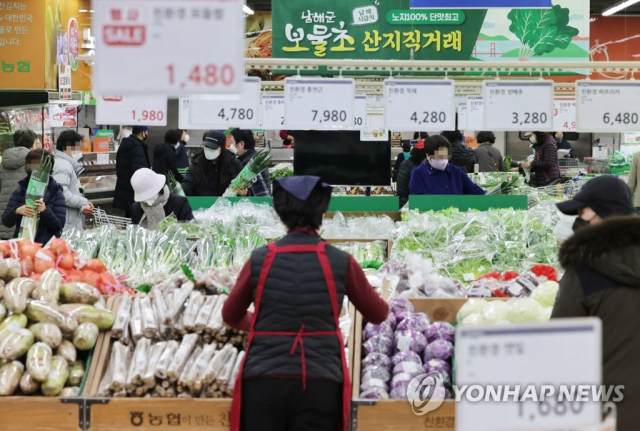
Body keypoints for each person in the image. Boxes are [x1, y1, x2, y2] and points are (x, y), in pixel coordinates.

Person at [221, 175, 389, 431]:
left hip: (263, 380)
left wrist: (261, 322)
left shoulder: (259, 259)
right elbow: (378, 313)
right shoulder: (341, 261)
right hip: (320, 380)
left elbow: (230, 314)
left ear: (280, 212)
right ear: (322, 212)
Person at [551, 175, 637, 431]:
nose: (578, 219)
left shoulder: (584, 271)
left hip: (605, 413)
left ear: (603, 213)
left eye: (581, 211)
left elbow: (558, 345)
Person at [2, 150, 66, 244]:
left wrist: (45, 210)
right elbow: (6, 221)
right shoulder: (20, 191)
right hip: (23, 245)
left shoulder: (56, 193)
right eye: (30, 164)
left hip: (47, 248)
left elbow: (59, 226)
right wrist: (17, 211)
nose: (33, 169)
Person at [410, 135, 486, 196]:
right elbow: (420, 200)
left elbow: (473, 189)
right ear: (428, 155)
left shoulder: (457, 172)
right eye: (439, 156)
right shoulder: (418, 174)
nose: (443, 159)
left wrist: (489, 198)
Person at [52, 130, 93, 232]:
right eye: (79, 147)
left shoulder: (60, 162)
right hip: (66, 221)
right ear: (69, 147)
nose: (81, 151)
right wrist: (83, 202)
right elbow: (61, 194)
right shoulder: (63, 166)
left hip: (66, 218)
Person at [0, 129, 37, 239]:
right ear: (31, 144)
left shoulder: (3, 163)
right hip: (25, 212)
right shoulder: (33, 161)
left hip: (4, 212)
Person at [182, 131, 242, 197]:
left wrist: (244, 193)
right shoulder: (196, 164)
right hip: (201, 205)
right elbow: (187, 185)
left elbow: (243, 189)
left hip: (227, 205)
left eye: (212, 147)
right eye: (206, 146)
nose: (208, 150)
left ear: (221, 148)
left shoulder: (234, 165)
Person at [114, 126, 151, 217]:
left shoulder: (125, 144)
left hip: (125, 186)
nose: (147, 134)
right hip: (133, 191)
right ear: (143, 132)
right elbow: (140, 172)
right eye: (147, 131)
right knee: (134, 218)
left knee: (129, 216)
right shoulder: (137, 147)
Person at [230, 128, 270, 197]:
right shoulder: (254, 156)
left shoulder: (250, 164)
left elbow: (260, 193)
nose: (230, 146)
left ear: (241, 144)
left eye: (232, 142)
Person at [397, 140, 428, 208]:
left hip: (401, 201)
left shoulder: (405, 163)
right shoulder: (415, 169)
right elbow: (417, 192)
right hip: (408, 204)